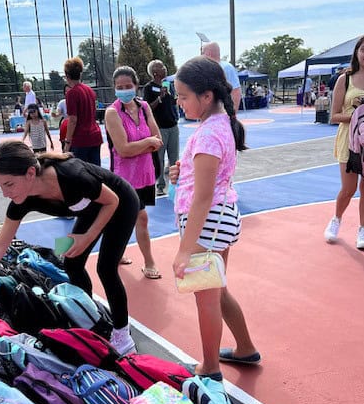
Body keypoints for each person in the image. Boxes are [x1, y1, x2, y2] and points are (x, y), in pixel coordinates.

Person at [0, 141, 140, 355]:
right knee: (71, 262)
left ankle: (122, 335)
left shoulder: (72, 175)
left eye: (9, 184)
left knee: (105, 268)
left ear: (31, 173)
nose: (5, 193)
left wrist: (87, 237)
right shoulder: (22, 200)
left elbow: (112, 200)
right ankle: (87, 314)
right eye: (0, 186)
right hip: (89, 209)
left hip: (120, 203)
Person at [170, 55, 260, 379]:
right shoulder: (216, 125)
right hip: (219, 221)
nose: (179, 103)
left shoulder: (209, 132)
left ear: (206, 96)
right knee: (218, 290)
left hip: (207, 226)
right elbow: (209, 177)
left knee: (206, 298)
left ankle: (209, 367)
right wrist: (182, 171)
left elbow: (203, 197)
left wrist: (184, 249)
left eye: (183, 96)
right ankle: (245, 348)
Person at [105, 66, 163, 279]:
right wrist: (147, 143)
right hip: (124, 178)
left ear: (136, 86)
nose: (124, 90)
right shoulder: (112, 113)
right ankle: (149, 262)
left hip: (145, 173)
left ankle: (116, 253)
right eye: (119, 87)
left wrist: (143, 145)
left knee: (123, 218)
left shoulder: (145, 106)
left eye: (128, 86)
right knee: (141, 218)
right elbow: (123, 149)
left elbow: (158, 140)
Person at [324, 33, 364, 249]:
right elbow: (333, 116)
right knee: (348, 188)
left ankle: (363, 229)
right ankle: (336, 219)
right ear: (357, 52)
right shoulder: (346, 79)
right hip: (350, 140)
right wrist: (360, 114)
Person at [143, 60, 180, 196]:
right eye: (161, 67)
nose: (165, 68)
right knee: (159, 158)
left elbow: (173, 103)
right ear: (155, 73)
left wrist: (172, 96)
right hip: (159, 128)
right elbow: (147, 108)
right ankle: (160, 185)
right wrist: (160, 98)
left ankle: (175, 187)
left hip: (173, 126)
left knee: (174, 158)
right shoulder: (149, 88)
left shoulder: (169, 85)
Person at [63, 57, 103, 165]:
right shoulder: (89, 90)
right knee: (95, 172)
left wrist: (67, 141)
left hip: (81, 139)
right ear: (80, 74)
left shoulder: (71, 93)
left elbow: (72, 120)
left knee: (80, 174)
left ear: (67, 75)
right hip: (95, 135)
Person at [202, 42, 242, 112]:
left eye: (203, 53)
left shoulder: (227, 68)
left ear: (209, 53)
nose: (201, 56)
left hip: (222, 114)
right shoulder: (206, 69)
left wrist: (232, 114)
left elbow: (236, 91)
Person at [52, 84, 70, 151]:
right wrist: (55, 114)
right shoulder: (62, 102)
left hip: (76, 123)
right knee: (64, 143)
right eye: (66, 91)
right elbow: (58, 112)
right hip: (66, 124)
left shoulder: (78, 100)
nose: (67, 92)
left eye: (69, 91)